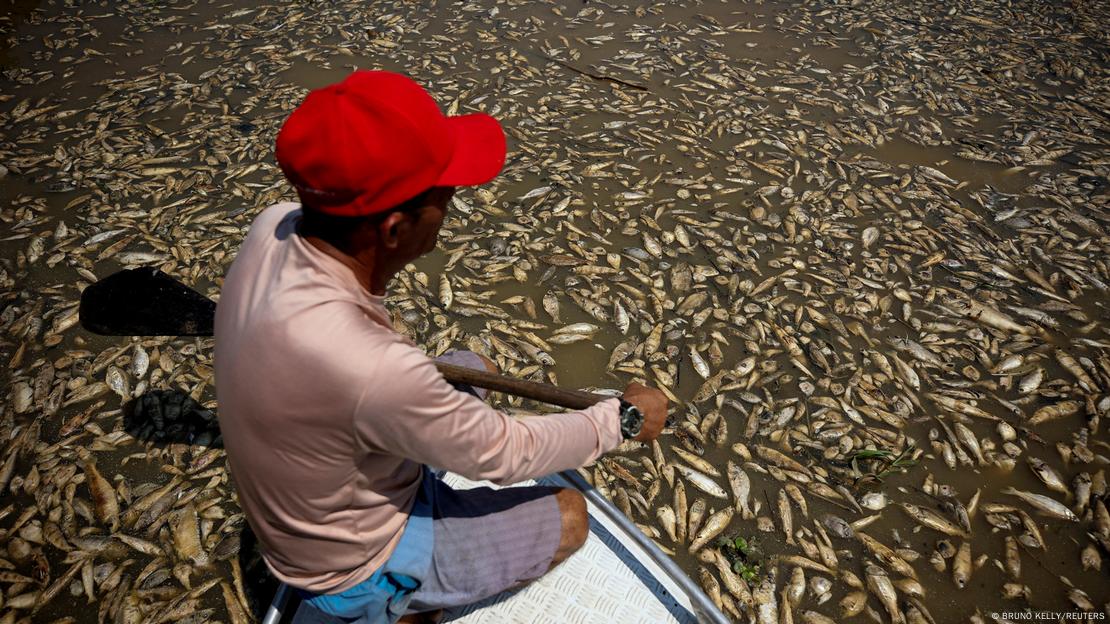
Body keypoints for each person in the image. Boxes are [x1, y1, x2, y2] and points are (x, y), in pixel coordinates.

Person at [213, 70, 668, 624]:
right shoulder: (376, 369)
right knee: (571, 515)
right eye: (445, 195)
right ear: (394, 229)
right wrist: (618, 421)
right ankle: (396, 606)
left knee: (472, 367)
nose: (451, 206)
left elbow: (365, 377)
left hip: (325, 465)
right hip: (352, 561)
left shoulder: (272, 227)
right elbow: (507, 455)